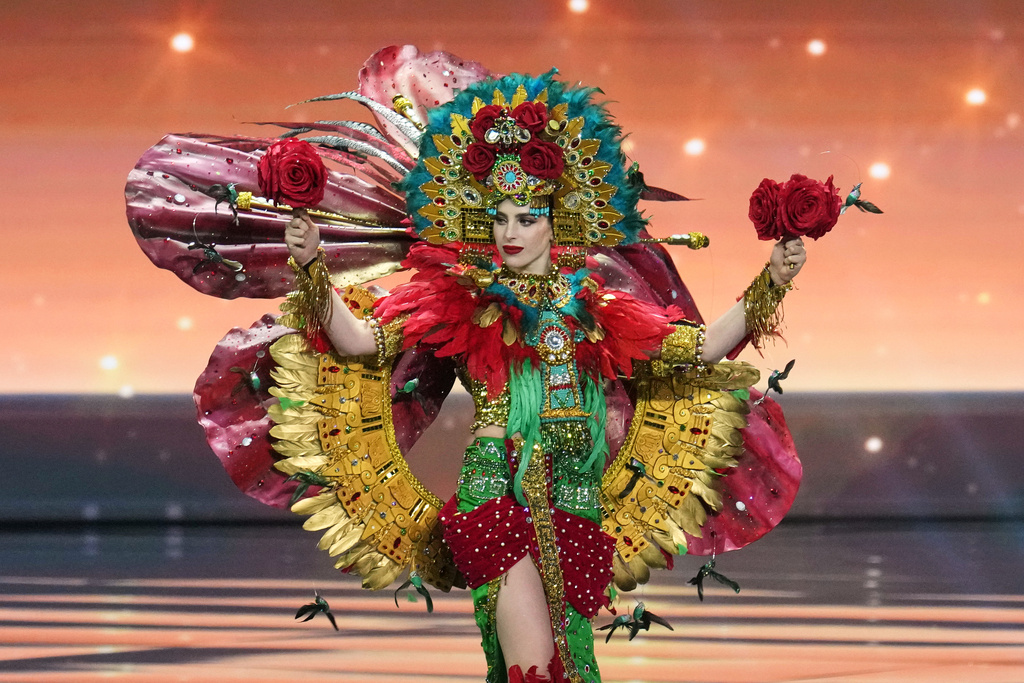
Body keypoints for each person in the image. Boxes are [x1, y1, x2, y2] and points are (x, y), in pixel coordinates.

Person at [126, 46, 806, 683]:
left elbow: (697, 348)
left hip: (578, 506)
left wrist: (771, 281)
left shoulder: (599, 307)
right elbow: (364, 344)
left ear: (559, 221)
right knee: (532, 664)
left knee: (570, 664)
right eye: (498, 217)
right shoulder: (456, 297)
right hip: (496, 501)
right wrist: (311, 271)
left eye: (526, 218)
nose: (509, 233)